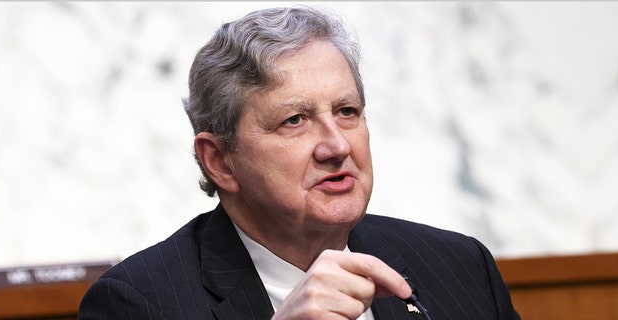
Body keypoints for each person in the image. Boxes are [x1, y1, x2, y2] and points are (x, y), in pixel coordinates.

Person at [79, 6, 520, 320]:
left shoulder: (459, 266)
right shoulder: (138, 304)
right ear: (220, 162)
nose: (336, 146)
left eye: (347, 111)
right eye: (295, 120)